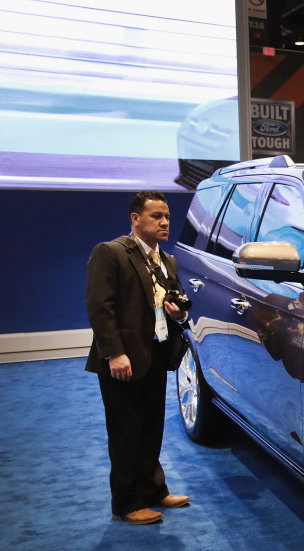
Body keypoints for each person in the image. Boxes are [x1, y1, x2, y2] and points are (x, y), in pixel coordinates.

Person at [85, 191, 191, 525]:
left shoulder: (167, 260)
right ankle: (127, 503)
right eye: (156, 216)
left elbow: (171, 304)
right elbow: (99, 308)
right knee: (126, 432)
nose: (164, 223)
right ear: (135, 219)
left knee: (151, 428)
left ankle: (154, 490)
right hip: (122, 360)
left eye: (167, 217)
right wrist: (114, 352)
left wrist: (177, 314)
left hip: (155, 354)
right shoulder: (111, 252)